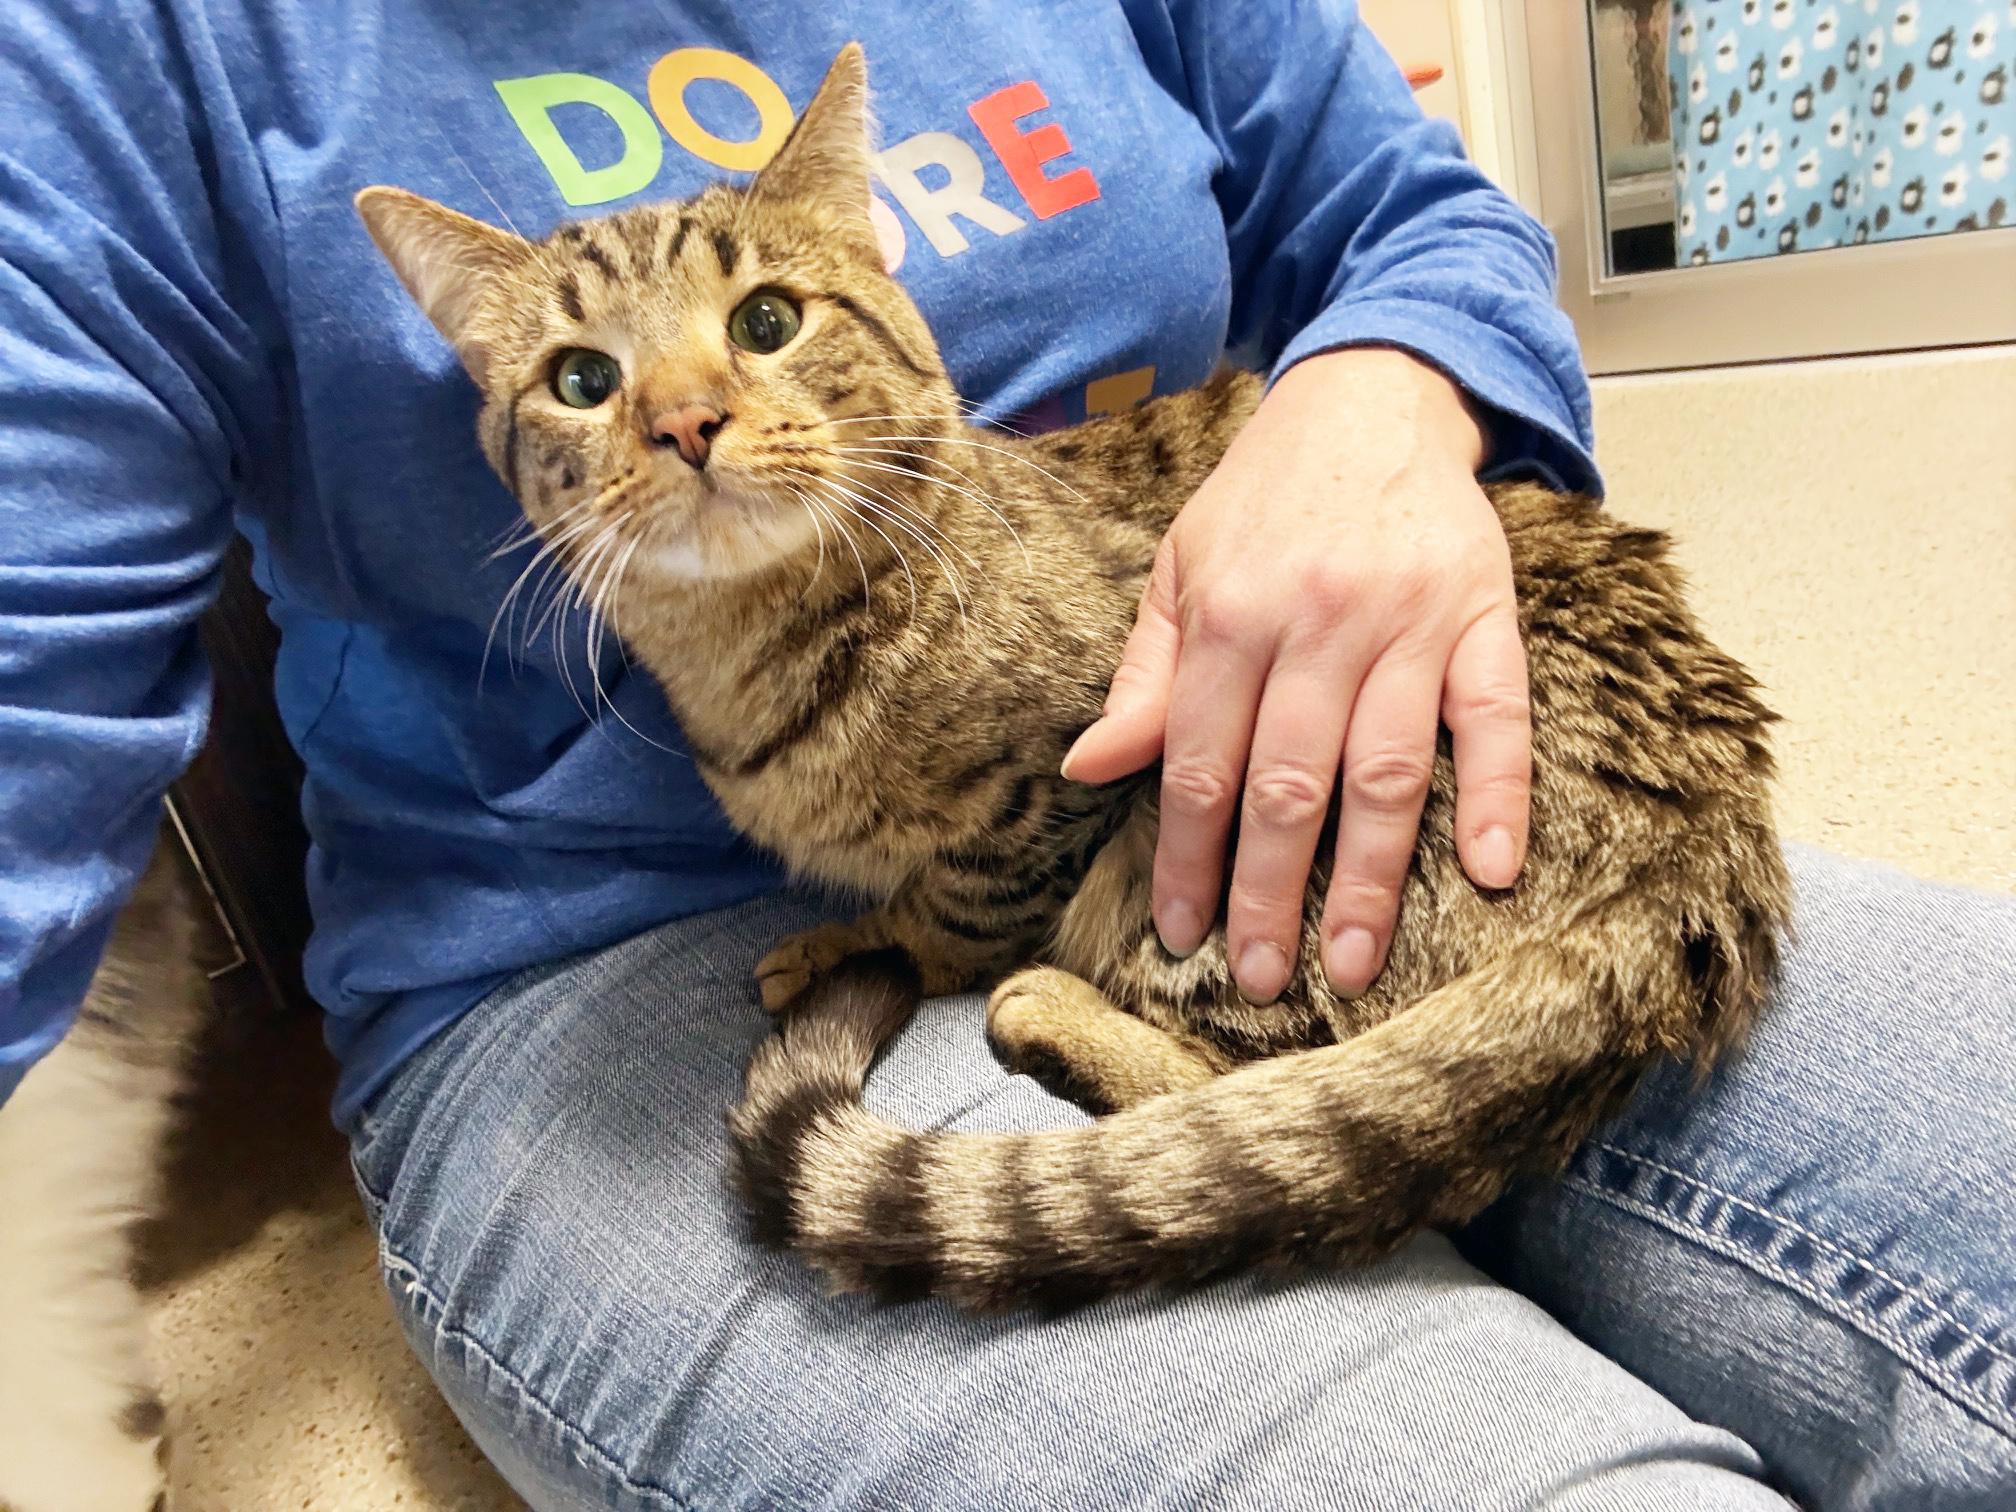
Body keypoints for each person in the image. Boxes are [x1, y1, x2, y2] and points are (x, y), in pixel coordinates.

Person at [2, 2, 2010, 1506]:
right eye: (600, 382)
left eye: (756, 337)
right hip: (582, 977)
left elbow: (1405, 211)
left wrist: (1396, 399)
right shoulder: (128, 49)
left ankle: (1249, 1044)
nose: (685, 420)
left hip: (1373, 793)